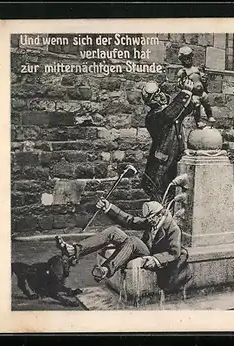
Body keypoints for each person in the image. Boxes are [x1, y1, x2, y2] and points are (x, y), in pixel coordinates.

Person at [55, 200, 192, 293]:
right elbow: (129, 220)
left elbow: (174, 253)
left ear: (160, 214)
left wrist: (155, 260)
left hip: (152, 256)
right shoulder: (153, 220)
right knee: (113, 231)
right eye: (148, 218)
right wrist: (109, 207)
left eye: (151, 217)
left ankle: (105, 270)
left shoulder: (173, 229)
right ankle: (75, 250)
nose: (148, 221)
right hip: (146, 249)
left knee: (132, 240)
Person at [140, 80, 192, 202]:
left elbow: (183, 109)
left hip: (173, 164)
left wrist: (194, 92)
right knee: (161, 202)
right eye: (157, 95)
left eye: (160, 92)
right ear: (152, 101)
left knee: (174, 200)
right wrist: (185, 92)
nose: (161, 95)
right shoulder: (153, 117)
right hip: (160, 169)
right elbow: (169, 114)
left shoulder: (170, 114)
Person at [176, 45, 215, 129]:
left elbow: (201, 78)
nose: (188, 60)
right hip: (193, 95)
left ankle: (210, 116)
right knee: (196, 105)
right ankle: (198, 121)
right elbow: (179, 84)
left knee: (207, 103)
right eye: (186, 58)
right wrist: (183, 84)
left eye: (189, 57)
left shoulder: (196, 69)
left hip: (202, 92)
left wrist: (204, 79)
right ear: (182, 60)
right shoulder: (182, 71)